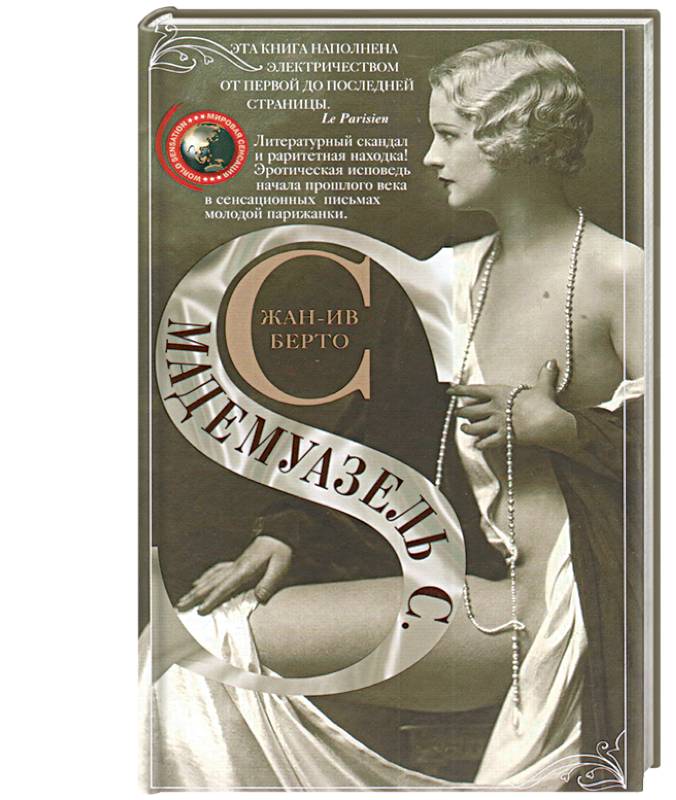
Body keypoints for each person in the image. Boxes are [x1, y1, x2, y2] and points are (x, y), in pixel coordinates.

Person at [152, 38, 645, 789]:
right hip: (495, 604)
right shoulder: (451, 276)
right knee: (198, 646)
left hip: (594, 614)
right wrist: (290, 534)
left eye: (448, 135)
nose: (428, 157)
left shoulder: (623, 273)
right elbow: (383, 434)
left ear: (514, 138)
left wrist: (564, 430)